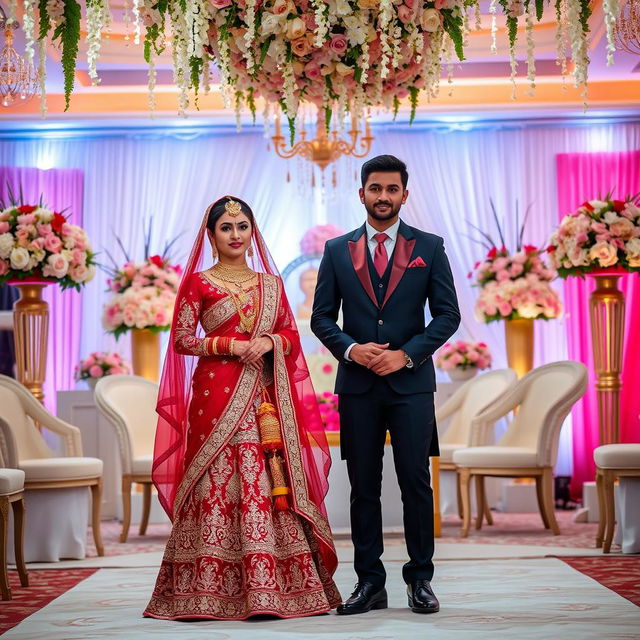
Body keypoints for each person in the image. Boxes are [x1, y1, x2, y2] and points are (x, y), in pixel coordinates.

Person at [144, 196, 341, 621]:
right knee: (216, 477)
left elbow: (290, 332)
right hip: (216, 397)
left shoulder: (271, 284)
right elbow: (182, 340)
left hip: (264, 396)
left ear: (253, 232)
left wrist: (270, 342)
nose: (236, 235)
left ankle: (279, 589)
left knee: (266, 477)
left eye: (242, 226)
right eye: (226, 228)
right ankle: (204, 592)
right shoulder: (198, 282)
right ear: (211, 235)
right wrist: (230, 345)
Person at [311, 155, 460, 615]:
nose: (383, 197)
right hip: (358, 386)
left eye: (391, 189)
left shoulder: (429, 247)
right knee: (363, 487)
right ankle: (370, 582)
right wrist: (353, 350)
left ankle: (420, 580)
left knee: (416, 482)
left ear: (404, 195)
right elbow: (321, 318)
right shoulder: (337, 250)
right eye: (375, 189)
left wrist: (407, 353)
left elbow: (449, 315)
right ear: (361, 194)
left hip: (412, 385)